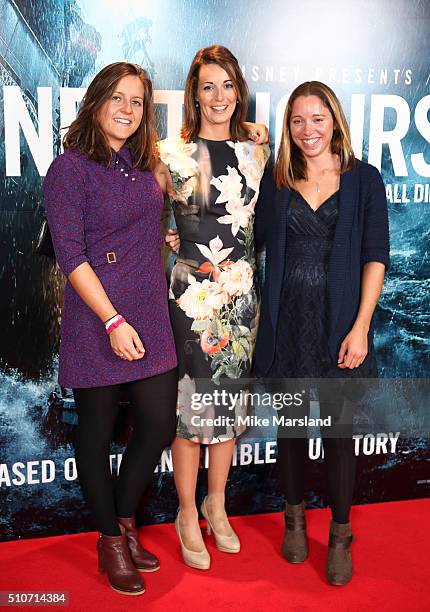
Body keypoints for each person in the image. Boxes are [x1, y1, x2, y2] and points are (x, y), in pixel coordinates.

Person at [44, 62, 178, 596]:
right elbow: (70, 257)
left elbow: (152, 218)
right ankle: (109, 539)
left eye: (138, 101)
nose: (127, 110)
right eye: (117, 98)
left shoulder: (149, 166)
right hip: (97, 316)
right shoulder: (69, 169)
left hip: (149, 308)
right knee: (96, 435)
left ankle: (125, 520)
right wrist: (111, 319)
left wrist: (166, 235)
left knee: (157, 424)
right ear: (96, 102)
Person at [254, 81, 389, 585]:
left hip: (338, 327)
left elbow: (376, 257)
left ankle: (339, 534)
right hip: (288, 325)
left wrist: (360, 329)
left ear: (334, 120)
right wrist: (185, 229)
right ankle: (293, 520)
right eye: (297, 121)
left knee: (337, 435)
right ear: (288, 127)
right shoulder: (279, 178)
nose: (308, 130)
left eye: (317, 119)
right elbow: (248, 235)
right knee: (289, 432)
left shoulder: (364, 180)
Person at [159, 45, 269, 570]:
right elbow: (136, 215)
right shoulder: (169, 154)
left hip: (242, 296)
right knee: (191, 412)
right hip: (189, 300)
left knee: (226, 409)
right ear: (194, 94)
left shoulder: (258, 151)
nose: (218, 97)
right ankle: (186, 513)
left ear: (238, 90)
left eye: (227, 85)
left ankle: (216, 504)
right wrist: (166, 236)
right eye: (208, 86)